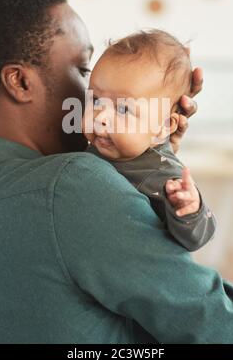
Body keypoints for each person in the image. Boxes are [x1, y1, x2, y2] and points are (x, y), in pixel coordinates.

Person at [0, 0, 233, 344]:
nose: (98, 108)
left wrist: (148, 162)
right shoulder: (73, 187)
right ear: (21, 82)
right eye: (83, 70)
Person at [83, 30, 216, 251]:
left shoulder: (163, 176)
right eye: (96, 100)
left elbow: (198, 237)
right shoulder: (93, 148)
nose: (100, 118)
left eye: (123, 108)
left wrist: (190, 210)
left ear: (164, 125)